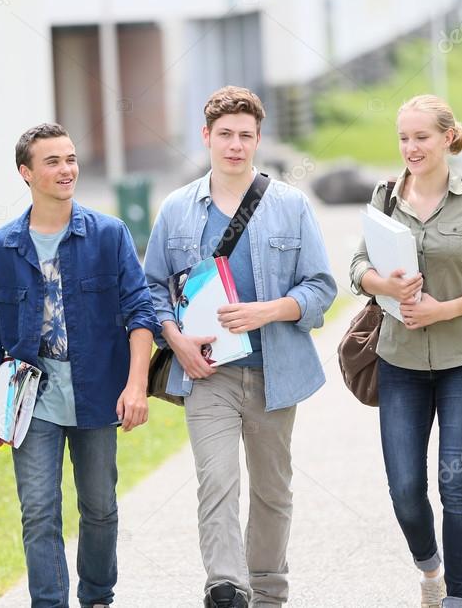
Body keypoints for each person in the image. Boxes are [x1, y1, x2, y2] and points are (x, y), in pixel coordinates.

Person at [144, 86, 337, 608]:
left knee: (272, 492)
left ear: (258, 138)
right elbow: (152, 289)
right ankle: (226, 589)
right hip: (209, 376)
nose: (235, 145)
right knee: (217, 481)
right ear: (206, 136)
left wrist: (268, 310)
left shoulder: (291, 206)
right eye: (225, 134)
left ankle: (269, 593)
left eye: (245, 135)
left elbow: (321, 287)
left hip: (276, 373)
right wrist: (176, 340)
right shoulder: (177, 209)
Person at [0, 123, 158, 608]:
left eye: (71, 159)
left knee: (99, 508)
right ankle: (49, 603)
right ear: (25, 173)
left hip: (97, 391)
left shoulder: (109, 235)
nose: (66, 169)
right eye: (52, 161)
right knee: (38, 510)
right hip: (31, 400)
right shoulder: (1, 248)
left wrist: (136, 386)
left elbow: (141, 313)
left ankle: (97, 597)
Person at [349, 95, 462, 608]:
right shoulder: (384, 197)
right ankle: (431, 569)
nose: (411, 147)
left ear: (447, 137)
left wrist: (444, 310)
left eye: (421, 137)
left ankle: (457, 600)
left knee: (457, 484)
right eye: (404, 137)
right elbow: (357, 267)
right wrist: (385, 284)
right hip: (398, 362)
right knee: (404, 487)